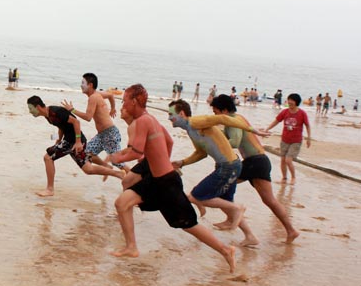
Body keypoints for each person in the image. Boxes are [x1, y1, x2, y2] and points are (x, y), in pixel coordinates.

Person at [106, 85, 236, 272]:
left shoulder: (142, 122)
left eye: (124, 100)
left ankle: (225, 250)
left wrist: (115, 157)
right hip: (157, 179)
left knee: (188, 224)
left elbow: (136, 152)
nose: (123, 103)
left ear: (134, 101)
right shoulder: (151, 118)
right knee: (122, 203)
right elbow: (168, 141)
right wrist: (159, 161)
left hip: (167, 183)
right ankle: (131, 247)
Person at [168, 99, 267, 246]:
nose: (169, 118)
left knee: (196, 196)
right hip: (228, 165)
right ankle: (250, 236)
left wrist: (252, 130)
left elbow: (222, 118)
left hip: (229, 166)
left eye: (171, 114)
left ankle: (238, 208)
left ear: (181, 113)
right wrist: (183, 162)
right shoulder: (191, 130)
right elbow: (201, 153)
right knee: (225, 203)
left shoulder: (195, 122)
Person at [210, 95, 300, 243]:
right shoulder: (236, 118)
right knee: (269, 200)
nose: (214, 115)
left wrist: (215, 143)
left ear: (224, 110)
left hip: (254, 162)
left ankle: (232, 219)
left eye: (215, 112)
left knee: (218, 186)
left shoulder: (233, 121)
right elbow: (226, 136)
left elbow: (234, 141)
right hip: (260, 161)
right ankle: (291, 230)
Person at [27, 95, 124, 197]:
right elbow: (61, 126)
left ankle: (50, 189)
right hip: (69, 141)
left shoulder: (56, 111)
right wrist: (58, 141)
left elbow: (76, 122)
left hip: (75, 142)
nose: (30, 111)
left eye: (30, 108)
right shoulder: (48, 116)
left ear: (37, 107)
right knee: (88, 169)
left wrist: (78, 142)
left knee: (48, 157)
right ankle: (118, 174)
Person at [61, 73, 124, 171]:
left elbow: (88, 117)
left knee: (117, 162)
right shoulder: (97, 94)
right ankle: (107, 166)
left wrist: (72, 110)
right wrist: (112, 108)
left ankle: (134, 178)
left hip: (109, 133)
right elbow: (111, 95)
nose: (81, 85)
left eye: (83, 83)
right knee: (87, 153)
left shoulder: (93, 97)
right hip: (102, 134)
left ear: (90, 85)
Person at [264, 93, 311, 184]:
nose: (289, 102)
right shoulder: (285, 112)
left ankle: (293, 177)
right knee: (282, 160)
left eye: (292, 100)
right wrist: (267, 129)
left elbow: (307, 126)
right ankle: (284, 178)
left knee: (288, 160)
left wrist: (308, 138)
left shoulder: (302, 113)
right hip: (285, 140)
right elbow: (276, 121)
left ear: (296, 102)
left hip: (296, 141)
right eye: (289, 100)